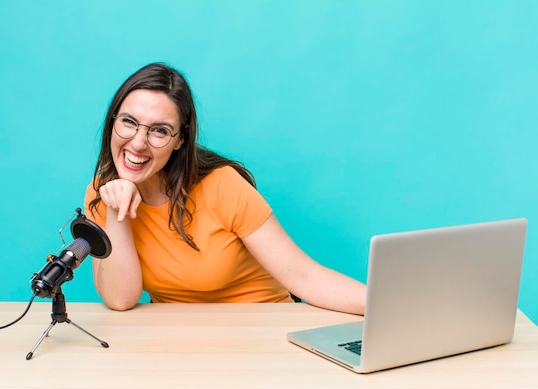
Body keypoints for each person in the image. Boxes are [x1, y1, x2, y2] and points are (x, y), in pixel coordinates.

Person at [84, 62, 366, 315]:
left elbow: (306, 277)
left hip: (265, 331)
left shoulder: (221, 186)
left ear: (180, 140)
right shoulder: (100, 195)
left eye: (159, 130)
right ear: (112, 122)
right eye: (129, 122)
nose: (137, 143)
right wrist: (116, 209)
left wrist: (390, 308)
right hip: (182, 342)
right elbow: (120, 299)